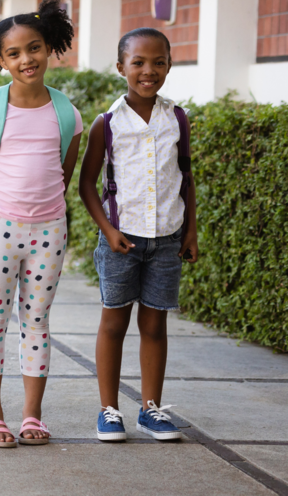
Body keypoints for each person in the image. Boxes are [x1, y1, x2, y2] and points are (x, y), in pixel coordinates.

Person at [0, 0, 82, 448]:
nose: (26, 59)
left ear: (49, 48)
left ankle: (33, 415)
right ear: (1, 61)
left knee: (37, 321)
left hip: (49, 231)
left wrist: (40, 210)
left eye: (34, 48)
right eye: (14, 53)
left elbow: (64, 171)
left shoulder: (67, 113)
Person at [78, 27, 198, 442]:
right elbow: (86, 185)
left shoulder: (177, 118)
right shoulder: (107, 123)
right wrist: (108, 230)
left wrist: (191, 231)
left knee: (155, 324)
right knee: (114, 323)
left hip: (167, 239)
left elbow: (186, 178)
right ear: (121, 67)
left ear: (169, 65)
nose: (149, 71)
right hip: (122, 241)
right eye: (139, 63)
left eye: (158, 62)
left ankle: (151, 410)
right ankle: (109, 410)